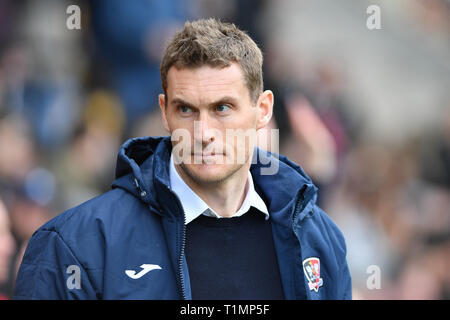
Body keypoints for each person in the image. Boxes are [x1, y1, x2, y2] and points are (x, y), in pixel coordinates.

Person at [14, 18, 351, 300]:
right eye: (186, 109)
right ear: (164, 112)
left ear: (262, 110)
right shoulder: (77, 244)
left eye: (222, 108)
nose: (202, 132)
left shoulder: (320, 242)